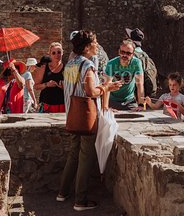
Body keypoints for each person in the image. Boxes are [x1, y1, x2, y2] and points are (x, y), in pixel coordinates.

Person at [57, 30, 122, 211]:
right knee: (86, 157)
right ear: (86, 47)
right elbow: (90, 91)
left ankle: (62, 192)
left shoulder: (69, 64)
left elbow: (71, 88)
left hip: (72, 114)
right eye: (95, 42)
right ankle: (80, 200)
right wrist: (107, 87)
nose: (97, 46)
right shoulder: (87, 66)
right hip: (86, 116)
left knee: (73, 153)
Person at [104, 39, 145, 110]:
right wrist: (105, 107)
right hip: (112, 100)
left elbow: (140, 84)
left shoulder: (136, 63)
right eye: (122, 52)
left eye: (128, 53)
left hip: (129, 101)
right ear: (119, 52)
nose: (124, 55)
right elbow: (107, 85)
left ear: (133, 54)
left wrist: (141, 105)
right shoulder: (111, 63)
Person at [125, 27, 159, 97]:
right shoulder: (145, 55)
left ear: (130, 40)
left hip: (133, 93)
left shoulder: (131, 55)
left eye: (127, 37)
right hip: (144, 92)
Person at [34, 42, 65, 113]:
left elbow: (72, 88)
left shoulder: (66, 68)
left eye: (59, 52)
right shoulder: (44, 67)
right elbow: (36, 86)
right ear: (50, 54)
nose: (57, 55)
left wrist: (63, 87)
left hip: (62, 104)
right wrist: (47, 84)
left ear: (62, 53)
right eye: (53, 53)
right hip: (46, 104)